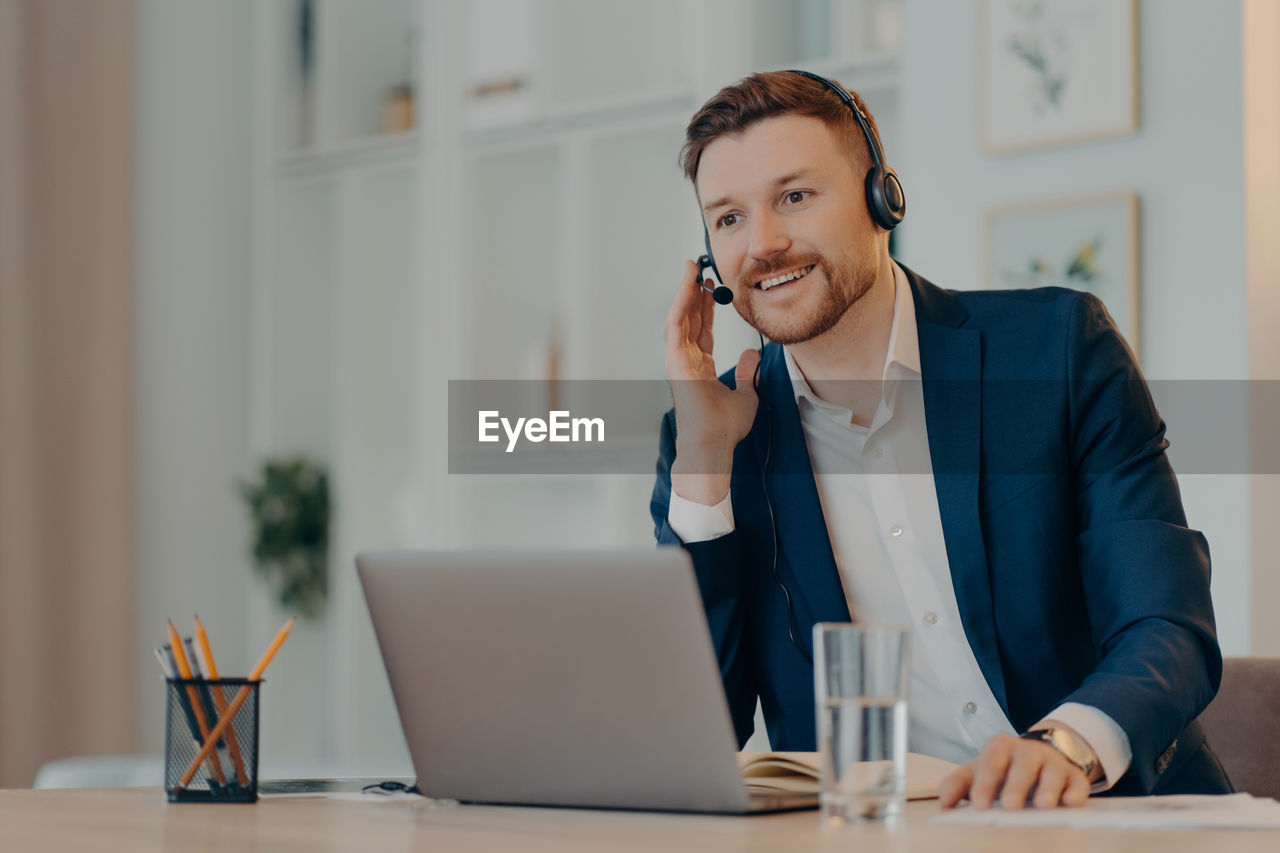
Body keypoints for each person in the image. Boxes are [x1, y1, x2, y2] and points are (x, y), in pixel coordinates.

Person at [650, 71, 1232, 809]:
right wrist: (704, 468)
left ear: (880, 201)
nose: (762, 243)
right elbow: (705, 723)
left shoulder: (1058, 350)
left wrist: (1066, 747)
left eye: (794, 196)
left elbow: (1168, 623)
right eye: (727, 219)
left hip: (1107, 817)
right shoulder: (710, 431)